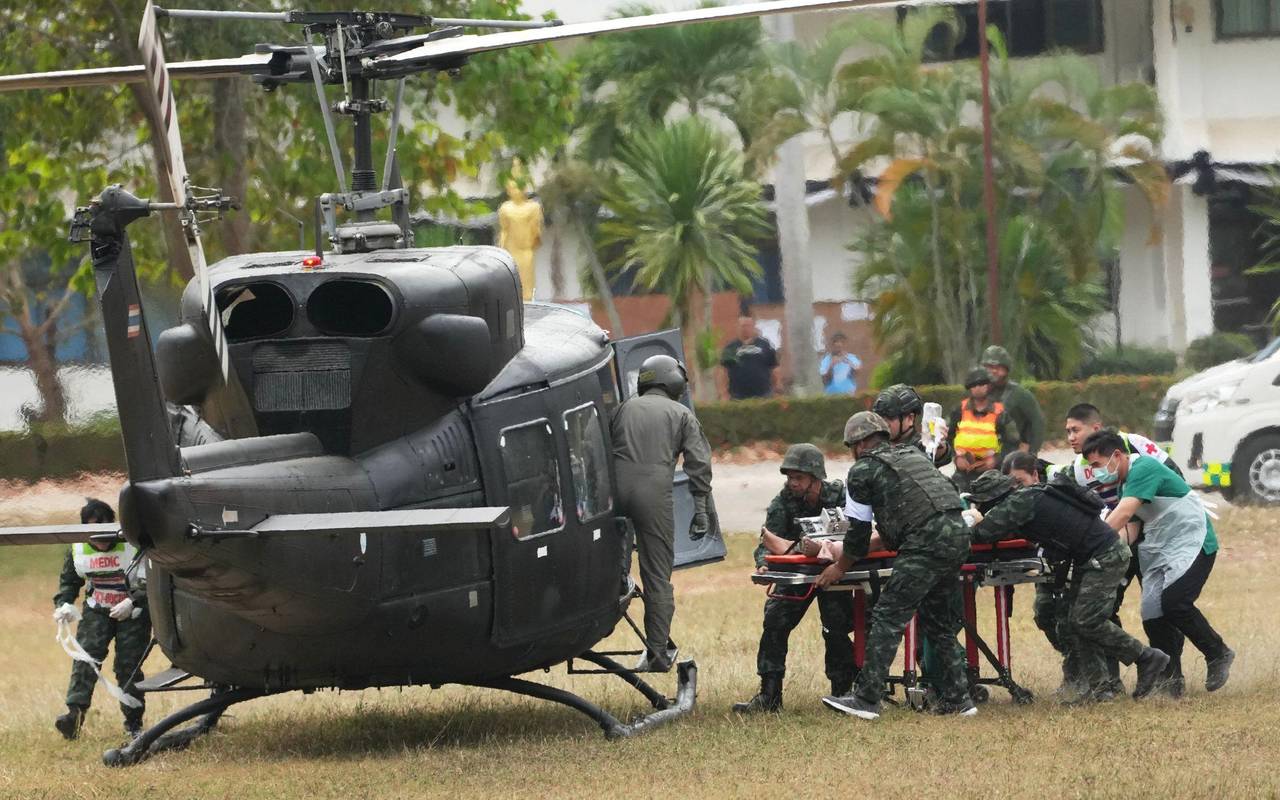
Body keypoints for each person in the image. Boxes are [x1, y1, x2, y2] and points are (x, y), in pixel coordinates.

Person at [816, 412, 975, 720]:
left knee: (888, 616)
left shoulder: (862, 471)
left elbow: (858, 534)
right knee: (939, 623)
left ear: (859, 444)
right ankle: (959, 699)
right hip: (958, 536)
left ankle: (866, 698)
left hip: (924, 543)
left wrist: (839, 567)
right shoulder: (913, 454)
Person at [966, 470, 1171, 701]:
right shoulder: (1029, 495)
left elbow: (982, 533)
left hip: (1104, 556)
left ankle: (1147, 657)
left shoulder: (1018, 502)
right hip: (1092, 556)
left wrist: (974, 518)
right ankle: (1100, 688)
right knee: (1076, 622)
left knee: (1086, 620)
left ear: (993, 498)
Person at [1081, 431, 1235, 695]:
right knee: (1153, 614)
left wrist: (1092, 542)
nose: (1096, 472)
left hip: (1193, 542)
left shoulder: (1143, 468)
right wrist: (1103, 554)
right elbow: (1130, 530)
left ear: (1117, 455)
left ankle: (1217, 652)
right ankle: (1169, 681)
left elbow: (1124, 513)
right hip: (1162, 549)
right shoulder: (1124, 484)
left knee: (1174, 603)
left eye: (1097, 464)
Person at [1063, 403, 1183, 694]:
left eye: (1075, 430)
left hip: (1152, 537)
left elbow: (1175, 481)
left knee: (1157, 608)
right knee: (1101, 608)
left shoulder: (1136, 445)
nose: (1070, 437)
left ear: (1095, 428)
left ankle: (1170, 680)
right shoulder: (1077, 469)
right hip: (1114, 541)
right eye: (1067, 431)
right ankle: (1109, 682)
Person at [611, 355, 713, 673]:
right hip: (653, 494)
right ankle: (656, 652)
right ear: (674, 380)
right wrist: (701, 510)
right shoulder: (681, 414)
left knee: (613, 564)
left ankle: (617, 588)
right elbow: (698, 464)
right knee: (657, 576)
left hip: (613, 492)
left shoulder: (623, 408)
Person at [734, 444, 854, 713]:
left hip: (835, 571)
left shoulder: (840, 496)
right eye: (790, 477)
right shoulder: (783, 502)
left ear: (816, 477)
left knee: (836, 627)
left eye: (798, 477)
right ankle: (769, 694)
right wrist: (763, 564)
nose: (792, 483)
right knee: (775, 621)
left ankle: (843, 691)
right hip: (797, 573)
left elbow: (858, 532)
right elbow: (767, 541)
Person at [51, 499, 149, 740]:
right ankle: (74, 715)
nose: (102, 539)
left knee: (128, 666)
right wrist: (64, 604)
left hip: (133, 613)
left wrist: (133, 601)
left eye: (106, 528)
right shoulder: (78, 550)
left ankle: (134, 722)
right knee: (85, 660)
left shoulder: (133, 545)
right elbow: (70, 581)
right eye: (94, 529)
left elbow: (152, 580)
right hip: (97, 610)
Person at [948, 368, 1019, 492]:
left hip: (991, 472)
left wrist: (997, 460)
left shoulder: (1000, 412)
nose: (978, 388)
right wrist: (956, 458)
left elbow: (1013, 442)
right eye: (974, 385)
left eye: (982, 384)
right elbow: (948, 437)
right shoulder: (959, 410)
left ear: (989, 386)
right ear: (970, 388)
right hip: (964, 473)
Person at [981, 345, 1046, 456]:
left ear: (1006, 369)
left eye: (998, 367)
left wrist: (1031, 451)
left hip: (1011, 454)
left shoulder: (1019, 394)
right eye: (989, 367)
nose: (994, 371)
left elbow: (1037, 422)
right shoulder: (978, 393)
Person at [496, 159, 544, 302]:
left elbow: (536, 232)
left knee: (526, 289)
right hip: (511, 252)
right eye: (512, 187)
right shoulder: (505, 208)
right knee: (511, 285)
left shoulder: (533, 207)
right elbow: (504, 231)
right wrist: (501, 251)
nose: (516, 190)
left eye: (519, 187)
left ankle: (527, 303)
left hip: (525, 252)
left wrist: (531, 244)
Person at [872, 383, 951, 467]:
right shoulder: (875, 444)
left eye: (890, 417)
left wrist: (938, 444)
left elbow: (937, 455)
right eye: (880, 417)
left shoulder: (921, 447)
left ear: (910, 418)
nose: (884, 423)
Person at [719, 316, 780, 400]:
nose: (745, 329)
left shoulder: (764, 345)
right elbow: (724, 371)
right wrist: (723, 393)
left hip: (763, 394)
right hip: (737, 396)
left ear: (753, 327)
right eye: (743, 326)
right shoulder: (731, 347)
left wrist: (777, 388)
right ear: (738, 327)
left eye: (748, 326)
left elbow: (774, 368)